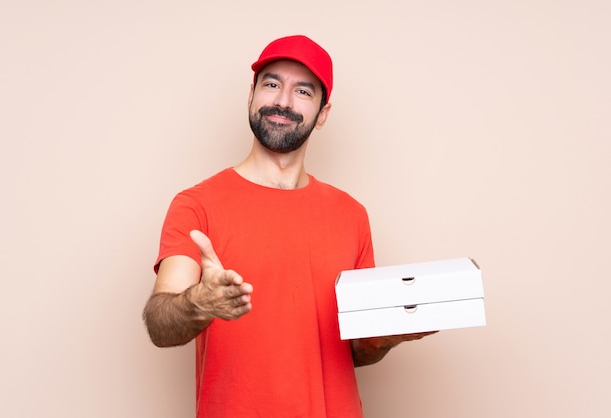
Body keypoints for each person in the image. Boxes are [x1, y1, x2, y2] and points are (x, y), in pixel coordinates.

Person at [143, 35, 436, 418]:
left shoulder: (352, 215)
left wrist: (390, 333)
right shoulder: (197, 205)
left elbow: (352, 350)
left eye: (302, 90)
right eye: (271, 84)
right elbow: (160, 323)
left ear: (323, 113)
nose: (283, 101)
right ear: (251, 95)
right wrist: (199, 302)